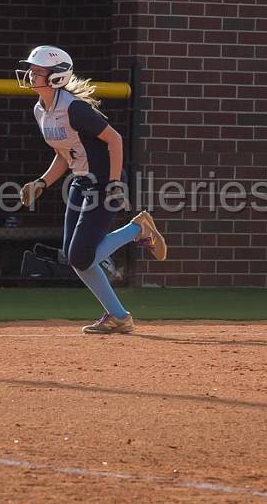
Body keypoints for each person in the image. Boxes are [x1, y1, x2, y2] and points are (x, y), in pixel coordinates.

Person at [15, 45, 167, 334]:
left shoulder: (74, 108)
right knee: (77, 258)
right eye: (31, 69)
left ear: (57, 77)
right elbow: (64, 154)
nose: (31, 74)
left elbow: (115, 140)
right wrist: (43, 182)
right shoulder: (41, 110)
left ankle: (138, 230)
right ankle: (119, 316)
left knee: (81, 257)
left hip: (103, 182)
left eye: (38, 71)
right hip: (81, 182)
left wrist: (113, 185)